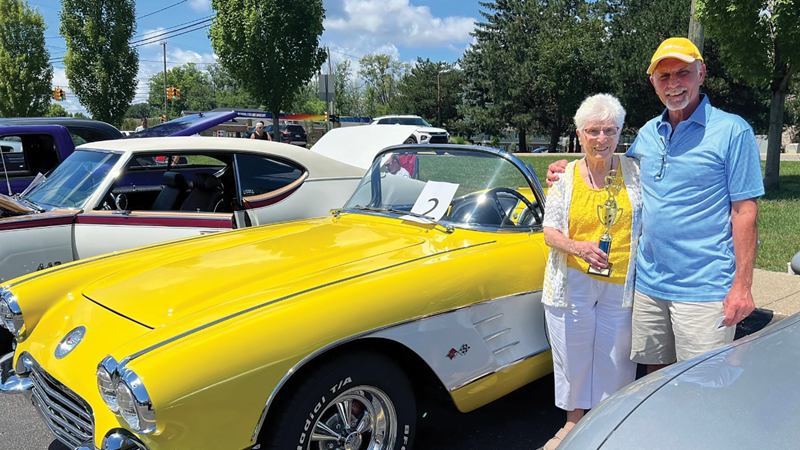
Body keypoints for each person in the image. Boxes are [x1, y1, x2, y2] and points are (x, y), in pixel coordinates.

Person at [547, 37, 764, 373]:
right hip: (648, 286)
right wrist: (569, 169)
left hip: (704, 289)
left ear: (701, 73)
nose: (673, 84)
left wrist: (743, 286)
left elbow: (745, 212)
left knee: (702, 383)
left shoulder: (732, 131)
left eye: (683, 73)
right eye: (664, 77)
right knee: (654, 381)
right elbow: (611, 170)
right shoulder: (648, 133)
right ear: (653, 83)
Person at [539, 94, 641, 450]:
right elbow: (549, 232)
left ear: (620, 132)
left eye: (610, 130)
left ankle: (608, 425)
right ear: (580, 134)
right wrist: (579, 247)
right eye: (593, 130)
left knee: (616, 359)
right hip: (573, 280)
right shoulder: (563, 177)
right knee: (574, 354)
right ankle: (573, 424)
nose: (602, 139)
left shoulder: (634, 171)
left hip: (621, 281)